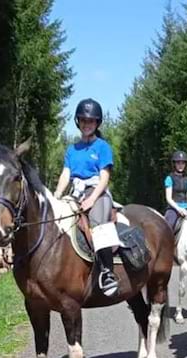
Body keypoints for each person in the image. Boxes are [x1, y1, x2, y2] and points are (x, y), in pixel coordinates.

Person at [54, 98, 120, 297]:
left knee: (98, 223)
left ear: (97, 123)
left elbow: (104, 177)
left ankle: (108, 272)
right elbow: (66, 174)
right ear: (78, 121)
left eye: (90, 121)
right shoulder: (71, 149)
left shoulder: (102, 147)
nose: (86, 124)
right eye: (83, 120)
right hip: (74, 193)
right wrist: (57, 194)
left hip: (96, 191)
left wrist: (92, 200)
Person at [164, 150, 187, 232]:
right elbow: (168, 198)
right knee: (169, 226)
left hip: (186, 209)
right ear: (174, 164)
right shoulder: (169, 178)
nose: (180, 165)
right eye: (178, 163)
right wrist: (179, 209)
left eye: (183, 163)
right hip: (173, 209)